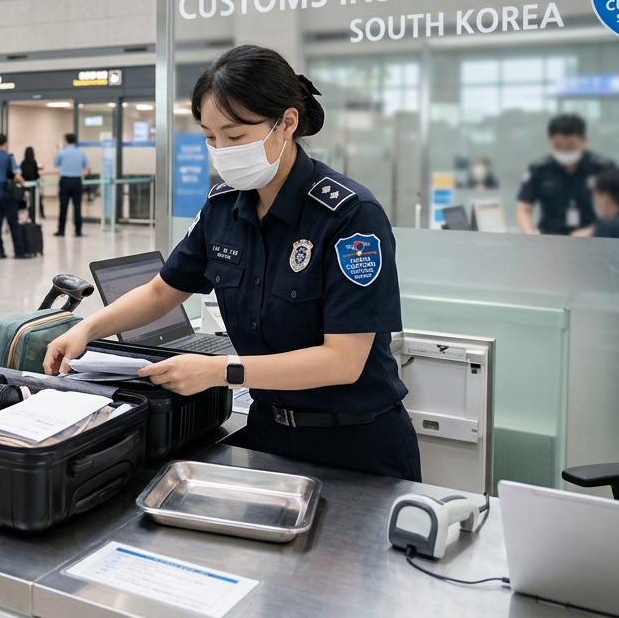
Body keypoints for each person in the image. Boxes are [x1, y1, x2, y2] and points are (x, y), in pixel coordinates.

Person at [44, 45, 420, 481]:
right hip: (269, 437)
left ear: (287, 123)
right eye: (209, 137)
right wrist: (87, 328)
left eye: (235, 136)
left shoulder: (350, 216)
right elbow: (163, 290)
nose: (221, 150)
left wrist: (219, 371)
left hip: (358, 448)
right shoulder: (223, 208)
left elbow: (342, 361)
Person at [516, 114, 613, 235]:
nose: (564, 151)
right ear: (550, 142)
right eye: (558, 146)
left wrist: (595, 231)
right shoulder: (539, 169)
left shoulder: (602, 168)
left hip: (592, 239)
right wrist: (530, 235)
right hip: (550, 240)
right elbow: (524, 209)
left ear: (584, 140)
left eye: (570, 146)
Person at [0, 133, 26, 259]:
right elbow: (16, 174)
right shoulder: (9, 157)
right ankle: (19, 251)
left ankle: (0, 252)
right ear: (5, 144)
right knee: (13, 222)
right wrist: (23, 183)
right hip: (7, 192)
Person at [53, 132, 90, 237]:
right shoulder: (81, 153)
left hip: (65, 181)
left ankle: (61, 230)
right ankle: (78, 230)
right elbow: (87, 166)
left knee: (63, 207)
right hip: (77, 181)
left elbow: (55, 163)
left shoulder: (62, 153)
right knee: (77, 207)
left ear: (66, 141)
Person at [20, 145, 41, 221]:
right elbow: (36, 174)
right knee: (33, 201)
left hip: (25, 185)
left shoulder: (23, 163)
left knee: (26, 200)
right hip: (33, 185)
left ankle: (25, 216)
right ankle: (33, 216)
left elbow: (21, 174)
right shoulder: (34, 162)